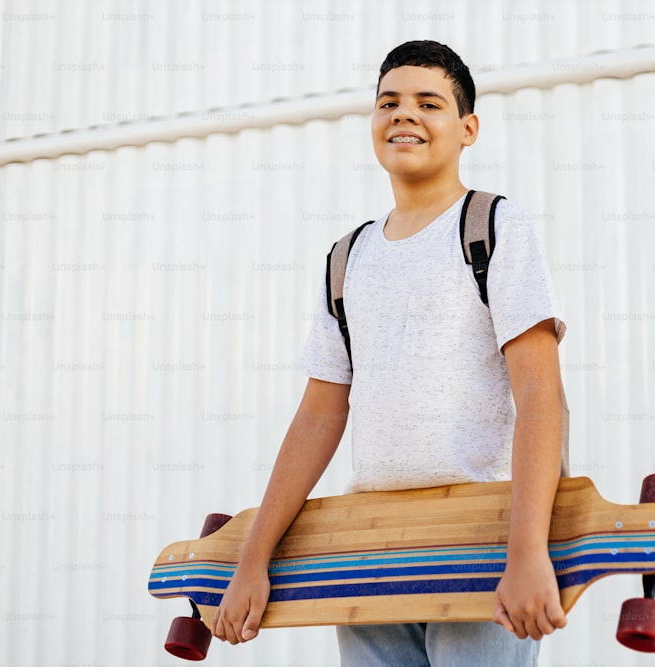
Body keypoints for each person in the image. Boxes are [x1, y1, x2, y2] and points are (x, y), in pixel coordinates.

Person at [212, 39, 568, 665]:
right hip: (370, 546)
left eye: (428, 103)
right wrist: (253, 560)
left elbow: (541, 395)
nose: (404, 115)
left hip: (480, 540)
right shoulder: (348, 258)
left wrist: (527, 549)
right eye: (389, 102)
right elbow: (319, 415)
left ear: (467, 129)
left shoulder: (491, 227)